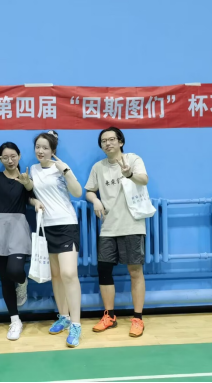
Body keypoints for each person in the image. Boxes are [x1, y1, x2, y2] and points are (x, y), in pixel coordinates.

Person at [85, 127, 149, 338]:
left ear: (120, 141)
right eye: (104, 141)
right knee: (104, 270)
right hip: (108, 227)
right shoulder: (98, 167)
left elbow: (144, 179)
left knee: (135, 271)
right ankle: (109, 316)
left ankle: (138, 318)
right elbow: (89, 191)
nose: (108, 143)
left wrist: (129, 173)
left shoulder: (133, 159)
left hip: (132, 225)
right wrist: (95, 200)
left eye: (112, 139)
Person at [29, 130, 84, 348]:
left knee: (69, 274)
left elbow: (77, 192)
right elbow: (30, 194)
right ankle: (64, 317)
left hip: (66, 224)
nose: (40, 151)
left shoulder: (61, 167)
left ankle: (76, 324)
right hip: (46, 226)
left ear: (53, 150)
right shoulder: (32, 169)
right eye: (38, 147)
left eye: (45, 147)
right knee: (56, 275)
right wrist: (34, 202)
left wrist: (66, 171)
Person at [0, 142, 34, 341]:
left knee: (14, 271)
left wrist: (26, 182)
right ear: (1, 159)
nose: (10, 160)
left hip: (18, 226)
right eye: (5, 157)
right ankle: (15, 320)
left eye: (13, 156)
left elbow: (30, 190)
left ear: (19, 156)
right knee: (4, 277)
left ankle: (22, 281)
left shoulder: (25, 177)